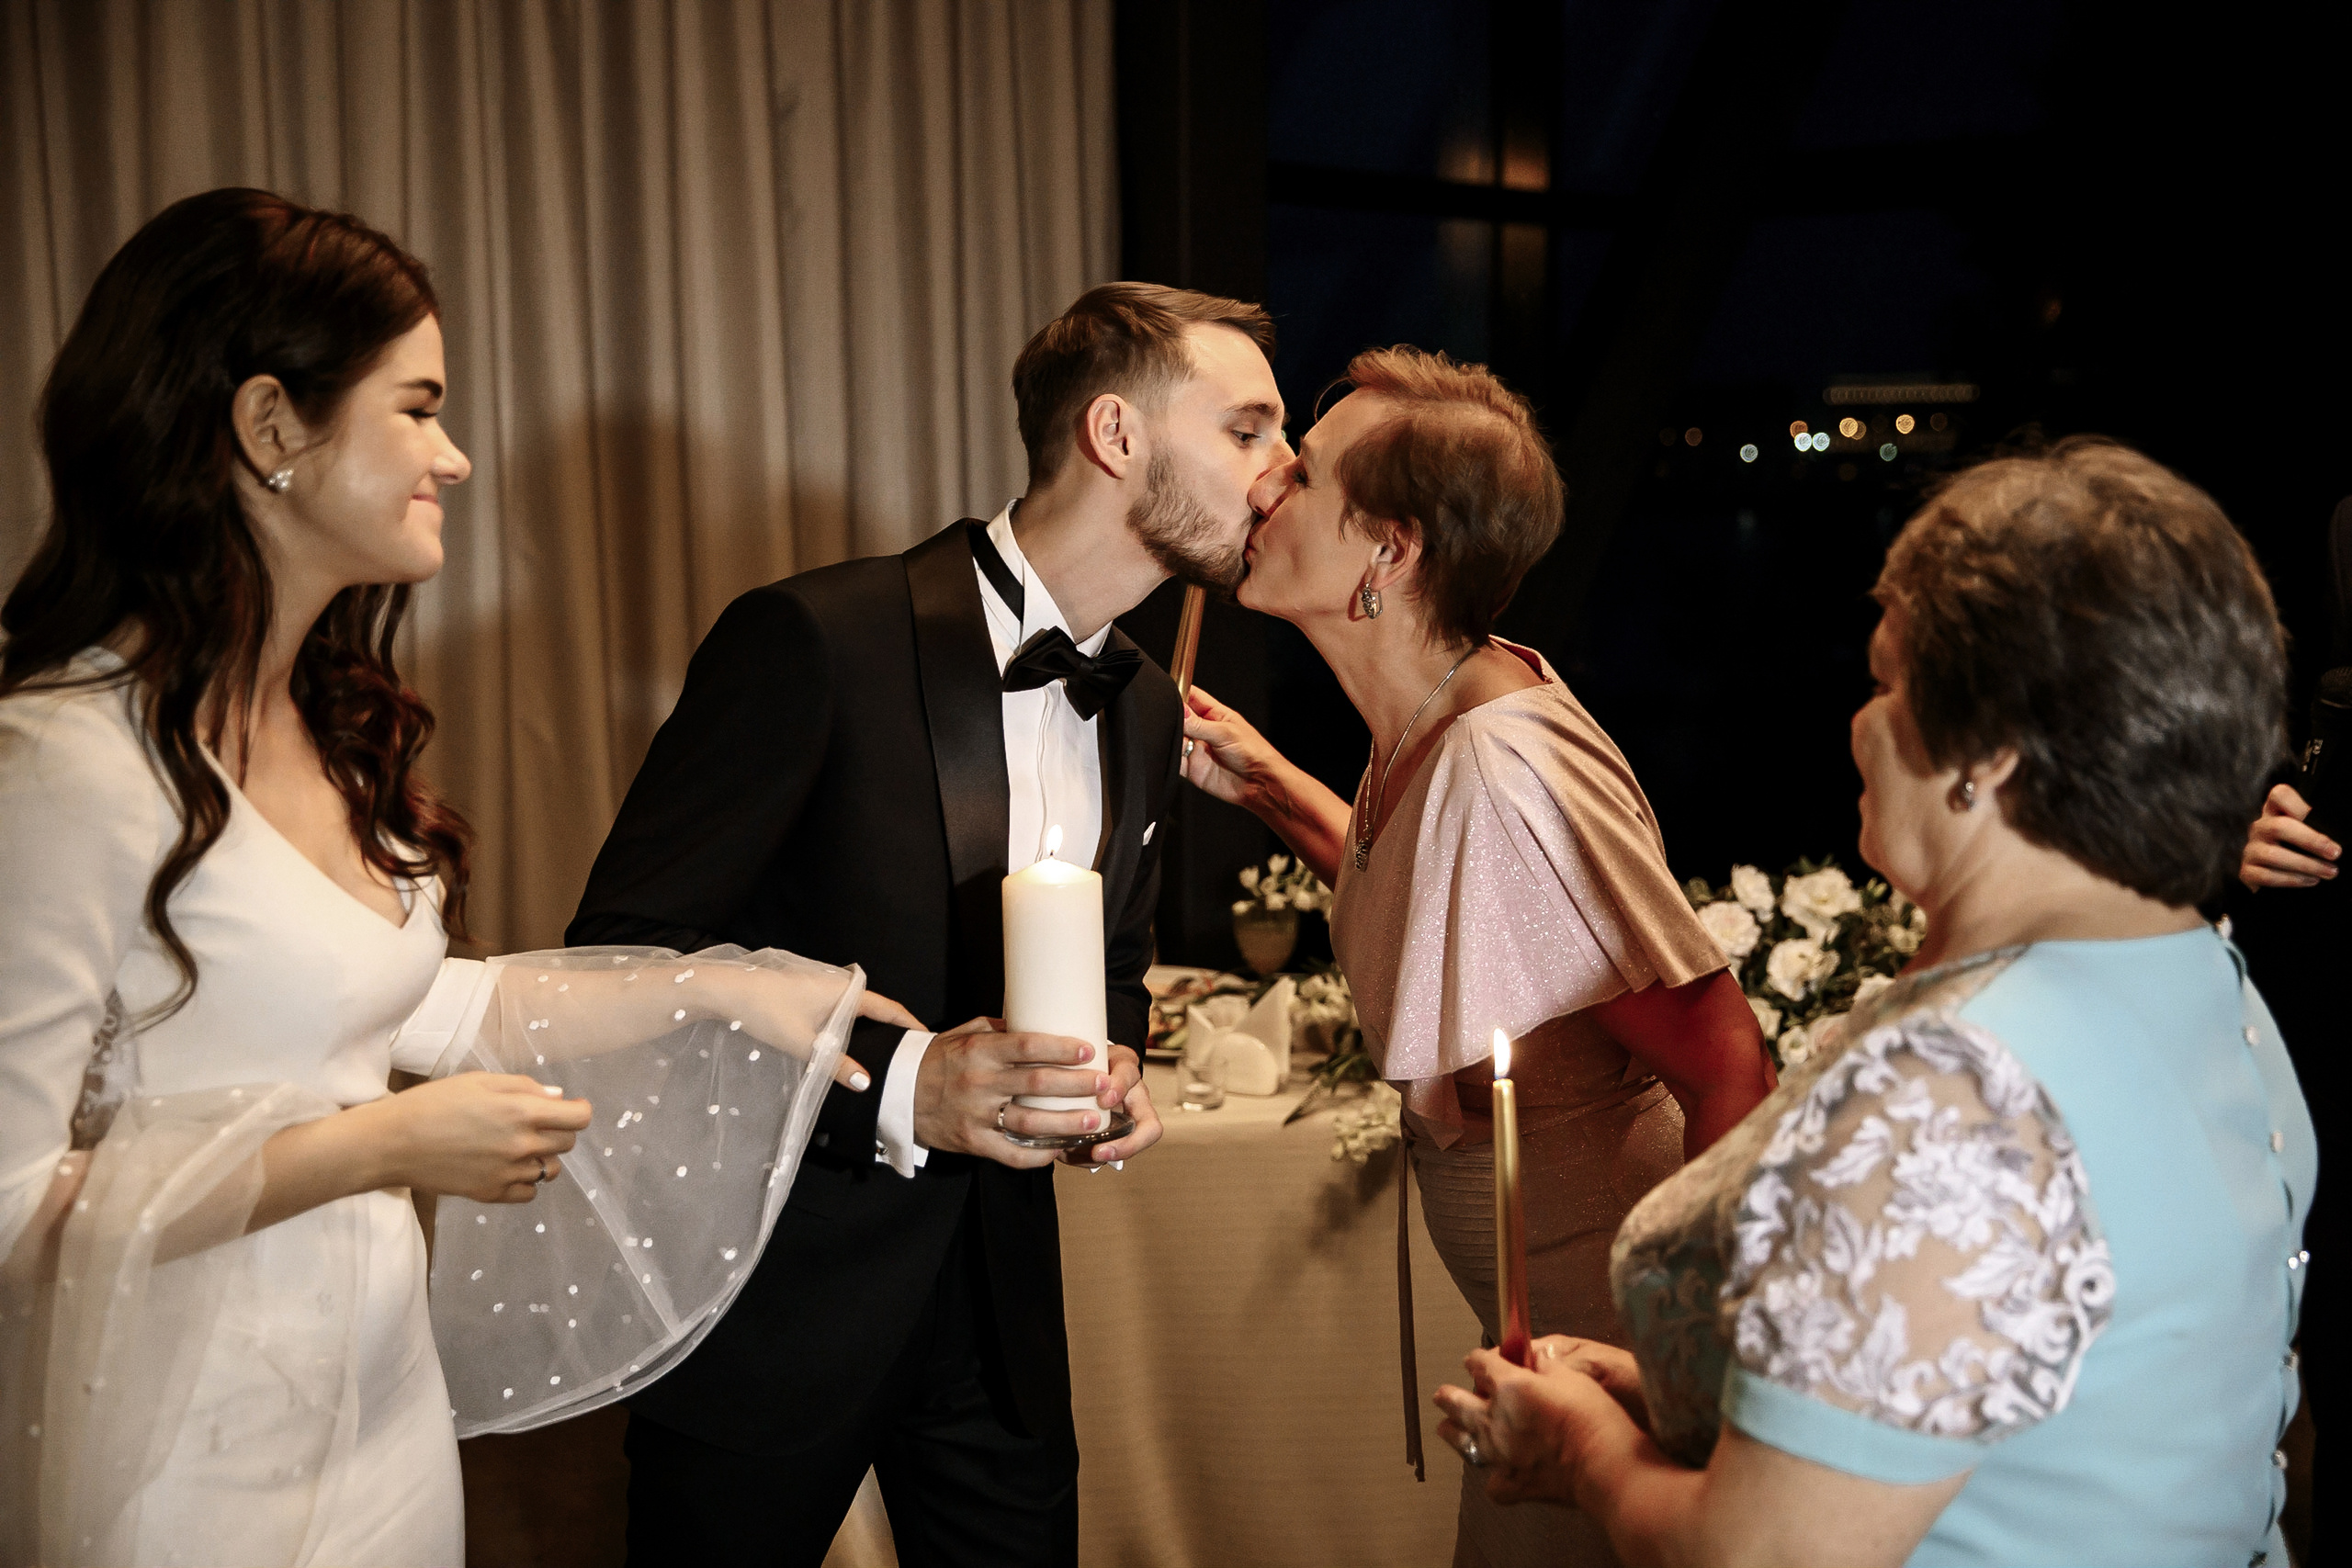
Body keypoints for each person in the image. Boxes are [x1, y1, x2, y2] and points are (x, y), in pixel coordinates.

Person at [0, 188, 911, 1567]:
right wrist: (382, 1144)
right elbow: (10, 1203)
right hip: (185, 1452)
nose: (457, 456)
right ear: (269, 429)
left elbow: (431, 1012)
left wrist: (717, 990)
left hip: (382, 1418)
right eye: (416, 408)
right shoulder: (64, 760)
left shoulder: (320, 723)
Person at [1432, 436, 2314, 1568]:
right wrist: (1678, 1400)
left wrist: (1584, 1453)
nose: (1857, 721)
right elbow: (2033, 1386)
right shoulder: (2201, 977)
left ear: (1987, 749)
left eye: (1887, 681)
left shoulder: (1961, 1093)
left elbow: (1764, 1557)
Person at [566, 281, 1290, 1567]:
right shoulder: (815, 639)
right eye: (1248, 430)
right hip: (775, 1293)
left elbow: (1107, 964)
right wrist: (900, 1084)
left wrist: (1112, 1065)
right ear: (1115, 435)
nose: (1283, 471)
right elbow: (618, 968)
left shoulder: (1138, 703)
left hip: (999, 1305)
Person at [1180, 346, 1774, 1568]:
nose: (1258, 487)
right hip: (1532, 1337)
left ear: (1387, 551)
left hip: (1599, 1348)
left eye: (1297, 473)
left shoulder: (1505, 763)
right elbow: (1466, 905)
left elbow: (1728, 1060)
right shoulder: (1434, 718)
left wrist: (1694, 1377)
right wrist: (1273, 789)